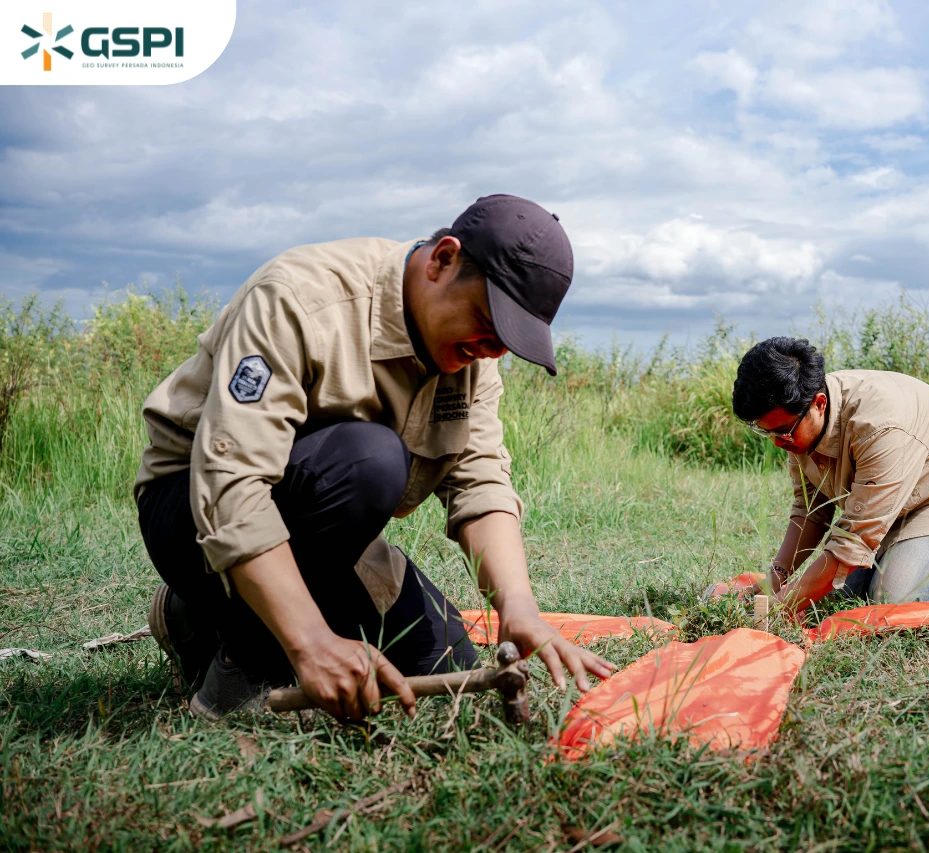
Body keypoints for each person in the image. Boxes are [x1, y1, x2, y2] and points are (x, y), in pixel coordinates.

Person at [137, 194, 613, 722]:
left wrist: (518, 605)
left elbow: (479, 482)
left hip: (322, 535)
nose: (492, 349)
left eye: (508, 339)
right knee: (370, 460)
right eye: (487, 319)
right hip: (194, 510)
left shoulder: (474, 353)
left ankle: (192, 617)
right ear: (442, 260)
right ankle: (243, 659)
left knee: (445, 662)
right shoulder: (299, 298)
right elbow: (232, 484)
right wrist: (311, 643)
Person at [731, 337, 929, 616]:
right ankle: (898, 549)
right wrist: (775, 580)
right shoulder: (798, 418)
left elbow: (853, 543)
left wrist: (777, 610)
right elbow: (811, 511)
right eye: (768, 432)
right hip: (891, 499)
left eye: (783, 432)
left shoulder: (878, 425)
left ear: (819, 404)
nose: (778, 443)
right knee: (832, 598)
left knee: (894, 601)